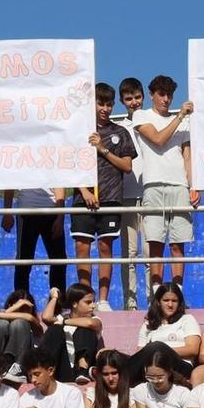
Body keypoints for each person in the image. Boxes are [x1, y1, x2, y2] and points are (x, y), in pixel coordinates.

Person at [130, 75, 196, 290]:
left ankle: (178, 292)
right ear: (152, 95)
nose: (166, 99)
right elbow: (158, 139)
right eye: (161, 94)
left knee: (178, 244)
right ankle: (157, 293)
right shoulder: (141, 115)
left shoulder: (184, 121)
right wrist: (179, 117)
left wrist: (193, 186)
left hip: (179, 186)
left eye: (169, 94)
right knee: (155, 244)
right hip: (153, 185)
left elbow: (188, 157)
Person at [77, 82, 136, 310]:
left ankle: (102, 300)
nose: (105, 108)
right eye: (101, 103)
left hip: (111, 198)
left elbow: (127, 165)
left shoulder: (120, 132)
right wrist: (84, 190)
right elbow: (68, 164)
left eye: (109, 104)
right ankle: (83, 299)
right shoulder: (80, 131)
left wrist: (102, 148)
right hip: (83, 199)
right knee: (82, 247)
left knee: (105, 248)